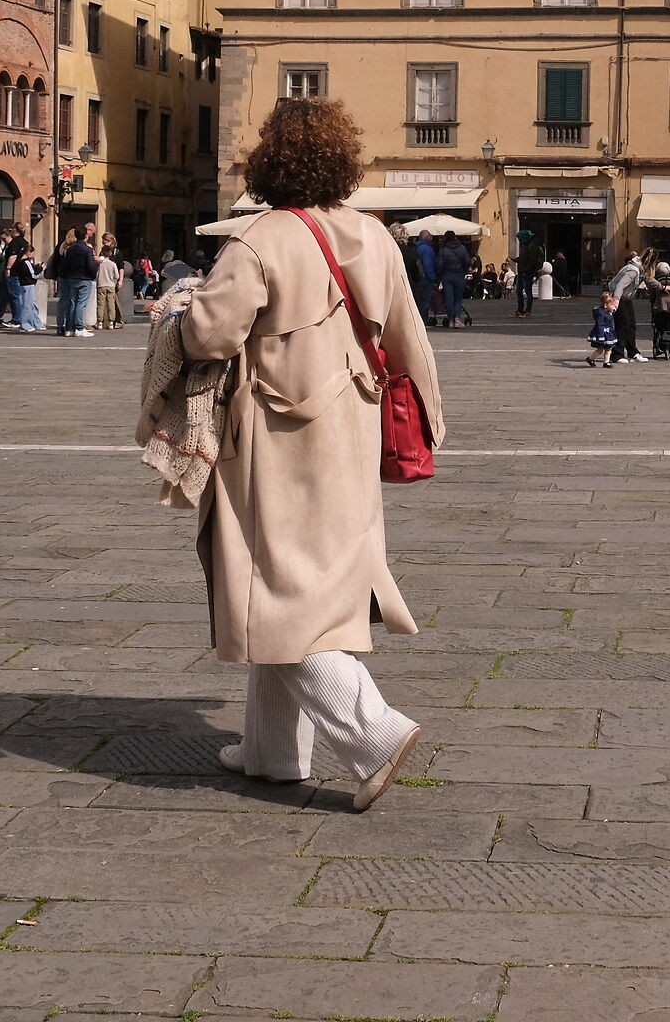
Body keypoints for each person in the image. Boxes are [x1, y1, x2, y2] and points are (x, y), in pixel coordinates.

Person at [175, 96, 441, 810]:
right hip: (350, 435)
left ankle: (373, 732)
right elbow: (411, 337)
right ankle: (270, 752)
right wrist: (430, 424)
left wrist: (178, 308)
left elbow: (209, 336)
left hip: (275, 442)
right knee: (311, 585)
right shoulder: (375, 237)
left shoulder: (261, 238)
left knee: (274, 591)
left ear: (271, 161)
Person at [607, 250, 647, 363]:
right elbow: (620, 285)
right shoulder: (633, 271)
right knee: (623, 323)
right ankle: (617, 354)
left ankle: (633, 352)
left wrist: (662, 287)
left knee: (631, 324)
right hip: (617, 296)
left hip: (626, 297)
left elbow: (650, 281)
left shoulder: (641, 270)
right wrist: (616, 300)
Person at [434, 234, 472, 331]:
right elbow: (467, 261)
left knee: (449, 298)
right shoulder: (462, 248)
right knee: (458, 299)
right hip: (459, 275)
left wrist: (440, 275)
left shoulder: (443, 250)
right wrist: (464, 270)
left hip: (447, 276)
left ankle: (451, 320)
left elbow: (440, 264)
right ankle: (457, 319)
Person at [8, 242, 45, 332]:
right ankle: (25, 324)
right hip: (27, 284)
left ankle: (36, 323)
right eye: (32, 253)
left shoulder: (21, 262)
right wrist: (40, 269)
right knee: (28, 305)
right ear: (29, 253)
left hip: (25, 284)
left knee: (32, 304)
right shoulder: (26, 262)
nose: (33, 255)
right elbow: (33, 274)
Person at [513, 231, 544, 319]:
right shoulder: (524, 246)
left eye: (519, 238)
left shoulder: (532, 247)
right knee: (519, 291)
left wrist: (526, 269)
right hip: (521, 272)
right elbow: (524, 258)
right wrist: (518, 260)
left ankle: (528, 311)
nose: (519, 240)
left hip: (527, 273)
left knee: (528, 292)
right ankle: (520, 310)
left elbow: (532, 261)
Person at [587, 290, 620, 368]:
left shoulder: (608, 312)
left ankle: (606, 362)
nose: (613, 306)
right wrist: (600, 335)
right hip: (603, 333)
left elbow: (613, 311)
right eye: (612, 304)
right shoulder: (601, 314)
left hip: (608, 333)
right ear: (605, 305)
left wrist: (615, 306)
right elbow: (599, 325)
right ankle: (590, 358)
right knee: (600, 349)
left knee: (608, 348)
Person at [95, 247, 124, 330]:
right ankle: (111, 322)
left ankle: (100, 322)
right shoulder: (113, 264)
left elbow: (96, 274)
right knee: (111, 304)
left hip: (101, 285)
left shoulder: (100, 264)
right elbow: (117, 276)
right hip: (111, 286)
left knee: (100, 304)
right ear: (111, 254)